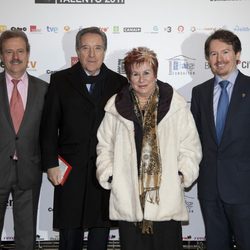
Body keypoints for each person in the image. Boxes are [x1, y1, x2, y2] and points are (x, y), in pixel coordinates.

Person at [96, 47, 202, 250]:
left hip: (165, 198)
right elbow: (104, 145)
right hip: (129, 198)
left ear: (155, 73)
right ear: (128, 77)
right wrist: (110, 174)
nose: (141, 79)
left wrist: (181, 174)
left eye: (146, 72)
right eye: (135, 74)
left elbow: (190, 145)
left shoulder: (175, 105)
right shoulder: (116, 106)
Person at [40, 26, 128, 250]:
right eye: (86, 48)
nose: (92, 54)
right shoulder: (60, 80)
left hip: (105, 168)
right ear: (77, 51)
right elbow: (49, 127)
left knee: (100, 231)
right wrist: (50, 164)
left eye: (97, 48)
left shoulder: (120, 83)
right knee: (70, 233)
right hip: (69, 169)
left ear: (104, 51)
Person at [191, 29, 250, 250]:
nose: (219, 59)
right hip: (210, 189)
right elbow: (194, 138)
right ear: (208, 60)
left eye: (225, 52)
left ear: (237, 55)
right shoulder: (200, 93)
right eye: (213, 54)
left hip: (245, 189)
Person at [0, 30, 48, 250]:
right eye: (9, 52)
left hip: (29, 170)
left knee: (26, 237)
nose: (15, 57)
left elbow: (50, 133)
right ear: (2, 56)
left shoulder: (44, 90)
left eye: (20, 51)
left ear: (28, 55)